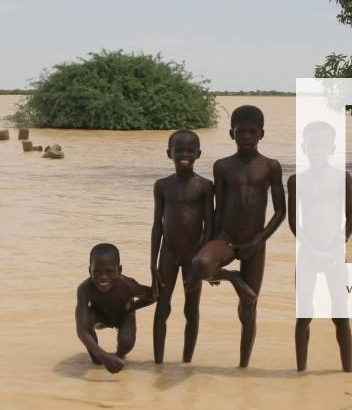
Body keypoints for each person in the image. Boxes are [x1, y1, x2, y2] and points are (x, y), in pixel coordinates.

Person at [187, 105, 286, 368]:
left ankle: (243, 366)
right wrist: (207, 242)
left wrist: (259, 240)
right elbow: (217, 208)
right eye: (241, 131)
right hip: (226, 238)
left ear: (261, 134)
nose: (246, 136)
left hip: (255, 242)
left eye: (252, 132)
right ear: (231, 133)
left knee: (249, 309)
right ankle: (234, 279)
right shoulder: (222, 166)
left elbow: (280, 212)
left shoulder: (270, 166)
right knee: (200, 265)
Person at [288, 120, 352, 372]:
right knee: (304, 314)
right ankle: (300, 372)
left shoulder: (341, 177)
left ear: (332, 148)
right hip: (308, 252)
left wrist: (336, 245)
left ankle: (347, 372)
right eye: (312, 146)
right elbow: (294, 222)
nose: (317, 150)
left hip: (335, 253)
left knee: (341, 314)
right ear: (303, 147)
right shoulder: (296, 180)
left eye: (322, 146)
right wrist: (313, 249)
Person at [150, 129, 214, 364]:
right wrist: (152, 263)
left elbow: (209, 225)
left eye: (190, 150)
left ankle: (187, 361)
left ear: (198, 153)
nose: (184, 154)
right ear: (169, 153)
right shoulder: (162, 185)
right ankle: (158, 362)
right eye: (179, 150)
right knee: (162, 307)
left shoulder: (205, 186)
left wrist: (203, 261)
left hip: (193, 255)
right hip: (168, 252)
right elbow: (157, 225)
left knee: (191, 308)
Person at [75, 243, 154, 373]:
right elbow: (81, 330)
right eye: (97, 272)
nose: (103, 277)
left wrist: (132, 307)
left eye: (110, 271)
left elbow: (153, 296)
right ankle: (102, 356)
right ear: (90, 270)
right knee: (97, 361)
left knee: (126, 343)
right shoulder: (84, 289)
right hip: (99, 315)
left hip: (123, 315)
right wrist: (102, 355)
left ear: (120, 270)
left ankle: (118, 357)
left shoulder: (128, 286)